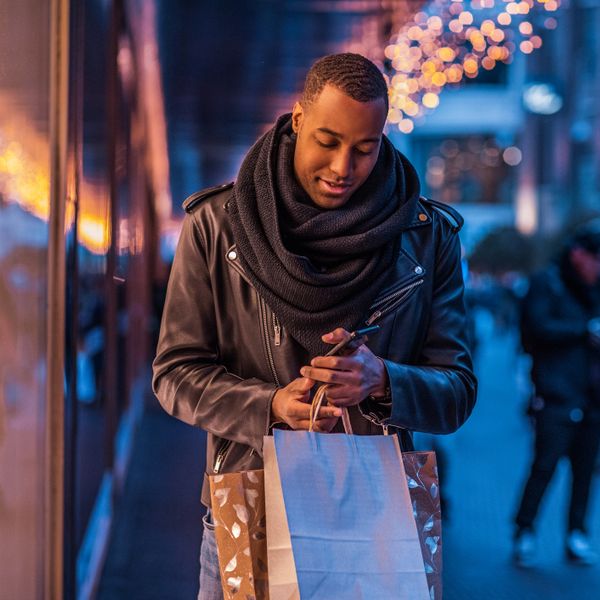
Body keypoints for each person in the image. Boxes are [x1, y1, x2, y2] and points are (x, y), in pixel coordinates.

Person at [152, 53, 477, 599]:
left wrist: (383, 381)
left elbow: (458, 391)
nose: (343, 167)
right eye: (328, 141)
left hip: (377, 515)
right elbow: (175, 375)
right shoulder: (215, 225)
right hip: (250, 501)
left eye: (364, 148)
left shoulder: (427, 235)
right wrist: (271, 407)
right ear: (298, 119)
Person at [514, 225, 600, 567]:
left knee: (584, 470)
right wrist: (584, 331)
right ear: (579, 255)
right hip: (555, 393)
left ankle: (575, 534)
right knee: (544, 466)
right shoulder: (546, 283)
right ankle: (524, 531)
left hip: (593, 396)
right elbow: (536, 328)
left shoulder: (594, 290)